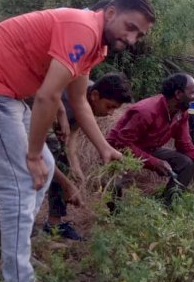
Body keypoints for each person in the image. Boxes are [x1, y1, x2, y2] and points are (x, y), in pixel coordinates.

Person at [0, 0, 156, 282]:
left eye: (139, 34)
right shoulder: (82, 28)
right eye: (130, 27)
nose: (133, 38)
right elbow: (47, 97)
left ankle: (17, 255)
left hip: (5, 94)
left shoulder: (96, 43)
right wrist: (30, 155)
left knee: (47, 165)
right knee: (20, 183)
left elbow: (80, 100)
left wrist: (104, 148)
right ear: (110, 12)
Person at [107, 73, 194, 198]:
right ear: (178, 94)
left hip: (148, 149)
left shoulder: (181, 113)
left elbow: (185, 145)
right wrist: (154, 162)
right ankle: (113, 214)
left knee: (185, 164)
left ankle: (167, 206)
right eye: (192, 93)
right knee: (116, 184)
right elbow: (122, 144)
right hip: (118, 150)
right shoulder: (146, 111)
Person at [44, 73, 133, 241]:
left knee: (64, 164)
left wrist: (75, 164)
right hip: (27, 121)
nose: (110, 113)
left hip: (50, 129)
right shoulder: (64, 102)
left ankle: (54, 225)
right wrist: (67, 184)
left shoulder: (88, 93)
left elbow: (73, 131)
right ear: (95, 96)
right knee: (45, 170)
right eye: (109, 106)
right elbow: (41, 154)